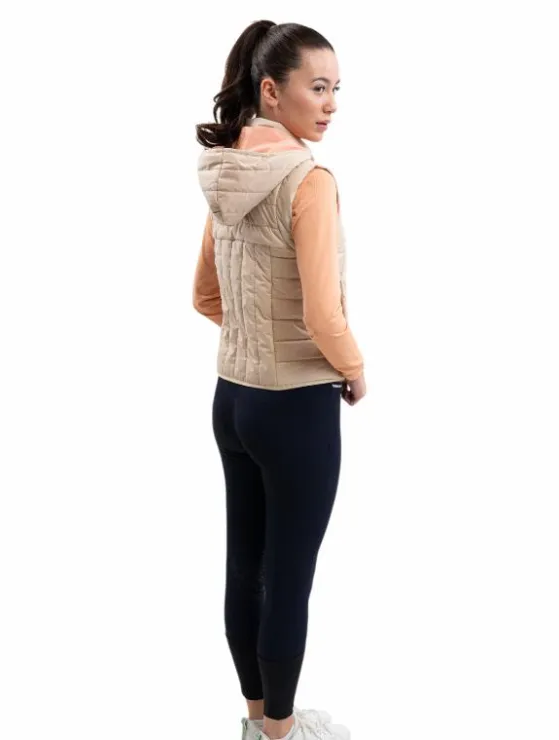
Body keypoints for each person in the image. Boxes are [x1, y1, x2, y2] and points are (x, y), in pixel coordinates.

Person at [192, 20, 367, 740]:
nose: (330, 104)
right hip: (295, 408)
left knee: (246, 566)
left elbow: (205, 295)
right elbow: (324, 314)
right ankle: (284, 733)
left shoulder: (227, 172)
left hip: (233, 400)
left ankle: (257, 720)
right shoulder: (308, 181)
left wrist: (253, 339)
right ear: (271, 90)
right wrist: (353, 368)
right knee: (289, 576)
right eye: (316, 87)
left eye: (337, 89)